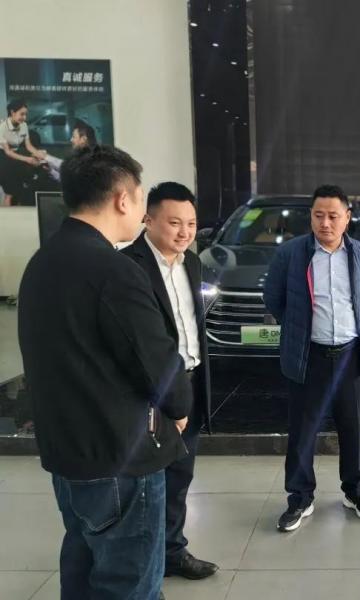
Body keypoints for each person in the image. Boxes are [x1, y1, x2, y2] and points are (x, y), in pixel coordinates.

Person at [17, 145, 192, 600]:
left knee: (83, 573)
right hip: (119, 458)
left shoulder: (42, 262)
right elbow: (156, 361)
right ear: (122, 199)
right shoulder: (114, 270)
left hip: (67, 453)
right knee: (129, 585)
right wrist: (178, 409)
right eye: (140, 197)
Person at [263, 184, 360, 532]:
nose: (325, 223)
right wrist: (297, 327)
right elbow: (273, 298)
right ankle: (300, 497)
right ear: (310, 217)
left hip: (349, 355)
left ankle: (355, 491)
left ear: (347, 218)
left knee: (353, 428)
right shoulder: (291, 254)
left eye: (333, 216)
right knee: (303, 430)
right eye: (318, 215)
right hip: (308, 355)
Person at [121, 182, 219, 580]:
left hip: (189, 383)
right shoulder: (128, 267)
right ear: (148, 219)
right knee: (146, 483)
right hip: (151, 393)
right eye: (175, 223)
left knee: (180, 475)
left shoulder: (191, 263)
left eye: (191, 224)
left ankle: (172, 552)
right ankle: (141, 561)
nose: (185, 232)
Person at [0, 99, 47, 206]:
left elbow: (29, 146)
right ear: (12, 112)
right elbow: (8, 152)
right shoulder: (2, 127)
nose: (24, 117)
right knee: (10, 193)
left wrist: (40, 155)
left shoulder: (24, 125)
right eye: (22, 114)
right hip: (3, 157)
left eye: (26, 114)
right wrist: (28, 159)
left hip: (17, 156)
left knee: (21, 189)